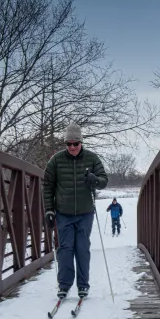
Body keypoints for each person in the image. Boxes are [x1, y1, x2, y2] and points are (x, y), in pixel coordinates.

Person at [43, 123, 108, 299]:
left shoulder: (92, 158)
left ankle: (83, 285)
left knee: (82, 248)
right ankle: (64, 285)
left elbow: (104, 181)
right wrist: (49, 210)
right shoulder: (56, 160)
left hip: (85, 212)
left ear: (81, 142)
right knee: (65, 249)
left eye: (75, 144)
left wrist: (94, 179)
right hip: (63, 212)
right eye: (68, 144)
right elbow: (47, 186)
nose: (72, 147)